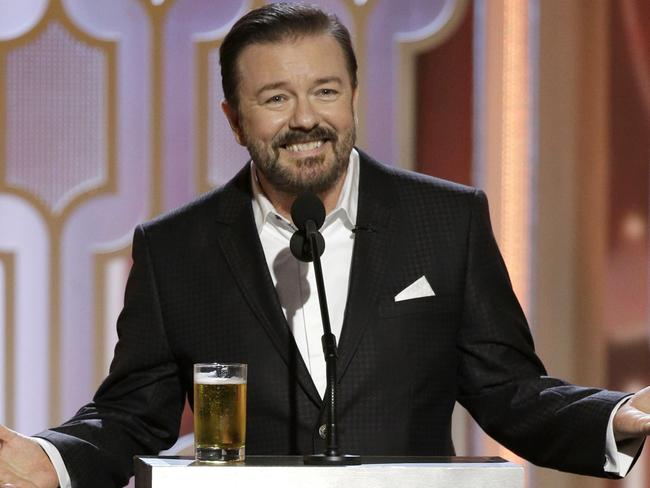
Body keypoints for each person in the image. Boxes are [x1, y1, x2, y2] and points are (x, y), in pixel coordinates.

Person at [1, 3, 648, 487]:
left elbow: (509, 391)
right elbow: (134, 416)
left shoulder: (448, 222)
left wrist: (617, 416)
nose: (306, 118)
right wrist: (52, 459)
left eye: (326, 91)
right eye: (276, 98)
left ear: (354, 96)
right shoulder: (177, 251)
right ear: (234, 117)